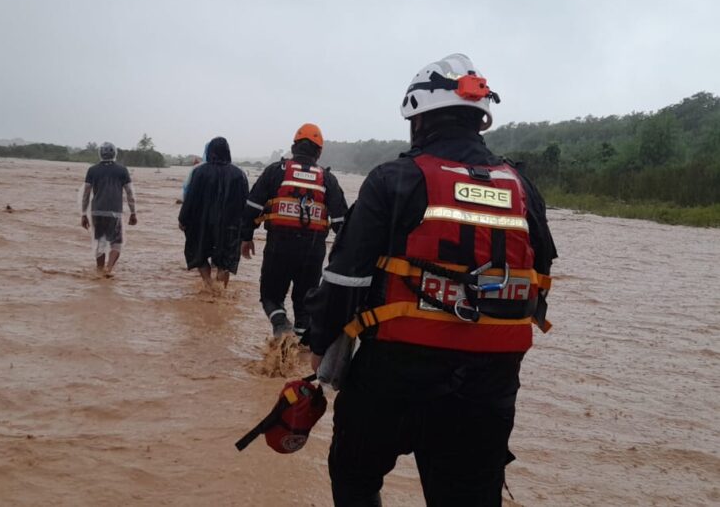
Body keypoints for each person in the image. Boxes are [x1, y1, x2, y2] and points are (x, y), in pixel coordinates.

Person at [306, 54, 558, 506]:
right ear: (479, 121)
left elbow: (345, 278)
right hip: (489, 386)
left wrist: (320, 347)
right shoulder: (521, 187)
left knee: (353, 474)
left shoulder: (393, 178)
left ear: (418, 121)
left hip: (394, 374)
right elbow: (543, 270)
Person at [240, 124, 348, 338]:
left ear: (293, 147)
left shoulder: (274, 171)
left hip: (278, 247)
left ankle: (281, 325)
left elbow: (252, 207)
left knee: (270, 297)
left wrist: (246, 236)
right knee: (305, 304)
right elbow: (341, 222)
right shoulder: (328, 179)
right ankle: (298, 351)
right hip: (313, 251)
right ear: (319, 152)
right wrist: (344, 255)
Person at [179, 137, 248, 289]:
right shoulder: (239, 174)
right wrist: (246, 228)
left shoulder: (199, 172)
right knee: (225, 261)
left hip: (201, 224)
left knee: (200, 255)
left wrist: (182, 219)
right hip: (229, 226)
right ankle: (220, 291)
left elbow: (190, 198)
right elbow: (245, 203)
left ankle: (208, 285)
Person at [80, 142, 137, 275]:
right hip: (115, 213)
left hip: (96, 212)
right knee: (116, 243)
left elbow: (86, 194)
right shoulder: (122, 170)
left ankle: (99, 271)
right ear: (115, 154)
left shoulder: (92, 170)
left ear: (100, 154)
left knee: (100, 242)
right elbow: (130, 193)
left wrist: (83, 214)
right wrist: (133, 212)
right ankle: (109, 269)